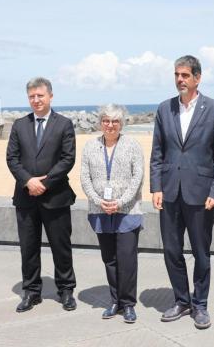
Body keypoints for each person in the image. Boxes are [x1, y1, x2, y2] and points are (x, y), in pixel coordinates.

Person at [150, 55, 214, 329]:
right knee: (171, 250)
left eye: (184, 75)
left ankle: (201, 305)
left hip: (201, 195)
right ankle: (182, 301)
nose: (180, 80)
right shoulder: (164, 109)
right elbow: (157, 152)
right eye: (176, 75)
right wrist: (156, 186)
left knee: (201, 253)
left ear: (197, 77)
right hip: (169, 193)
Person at [6, 77, 77, 313]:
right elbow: (12, 159)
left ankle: (66, 290)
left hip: (55, 197)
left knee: (61, 246)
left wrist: (44, 183)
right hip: (26, 198)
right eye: (32, 97)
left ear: (50, 96)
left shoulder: (64, 124)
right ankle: (31, 292)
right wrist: (28, 181)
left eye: (40, 96)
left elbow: (68, 159)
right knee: (28, 247)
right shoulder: (19, 125)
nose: (36, 100)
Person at [80, 104, 144, 323]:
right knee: (109, 259)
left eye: (115, 121)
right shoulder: (90, 146)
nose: (110, 125)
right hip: (99, 211)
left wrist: (120, 202)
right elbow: (85, 179)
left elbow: (138, 178)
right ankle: (115, 300)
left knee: (127, 260)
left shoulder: (132, 145)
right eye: (106, 120)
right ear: (100, 123)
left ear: (121, 124)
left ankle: (128, 304)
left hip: (127, 211)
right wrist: (99, 201)